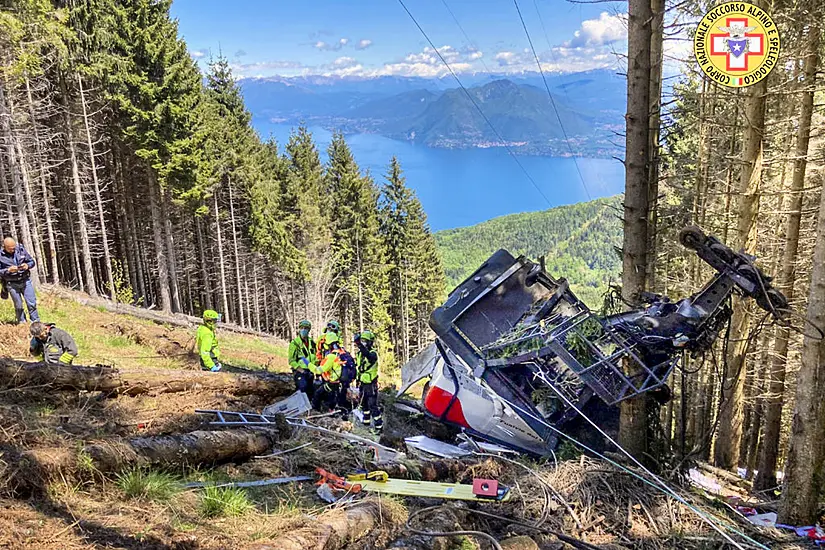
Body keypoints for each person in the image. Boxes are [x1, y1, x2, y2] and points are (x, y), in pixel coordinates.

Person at [312, 332, 355, 417]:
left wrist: (309, 364)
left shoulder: (331, 356)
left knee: (318, 394)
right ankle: (341, 412)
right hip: (343, 383)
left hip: (333, 382)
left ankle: (318, 413)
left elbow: (320, 370)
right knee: (339, 398)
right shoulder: (343, 352)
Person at [0, 237, 39, 324]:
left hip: (25, 280)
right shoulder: (0, 255)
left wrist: (27, 265)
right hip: (11, 283)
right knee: (18, 306)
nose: (13, 250)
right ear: (4, 247)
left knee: (31, 303)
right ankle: (22, 323)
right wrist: (8, 270)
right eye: (10, 249)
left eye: (14, 248)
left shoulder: (21, 249)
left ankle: (35, 322)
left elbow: (32, 262)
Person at [354, 330, 382, 431]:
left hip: (371, 384)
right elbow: (359, 368)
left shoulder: (372, 354)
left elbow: (369, 357)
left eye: (365, 341)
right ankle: (366, 423)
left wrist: (359, 344)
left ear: (370, 342)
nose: (363, 343)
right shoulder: (359, 354)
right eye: (362, 341)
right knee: (364, 404)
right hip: (362, 383)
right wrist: (357, 380)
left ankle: (379, 426)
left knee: (372, 405)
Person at [288, 319, 317, 398]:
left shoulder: (312, 342)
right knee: (302, 388)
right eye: (302, 328)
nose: (304, 330)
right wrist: (302, 370)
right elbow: (291, 360)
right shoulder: (295, 343)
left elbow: (315, 356)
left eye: (306, 328)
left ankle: (310, 408)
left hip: (310, 371)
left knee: (310, 391)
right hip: (300, 371)